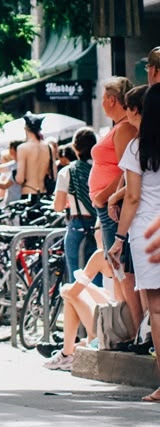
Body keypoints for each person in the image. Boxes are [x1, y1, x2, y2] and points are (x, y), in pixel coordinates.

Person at [110, 84, 160, 402]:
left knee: (156, 308)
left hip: (147, 232)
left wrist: (118, 239)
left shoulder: (138, 148)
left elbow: (132, 196)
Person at [90, 77, 141, 329]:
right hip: (109, 207)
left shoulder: (123, 129)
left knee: (122, 270)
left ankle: (137, 327)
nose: (101, 103)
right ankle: (130, 326)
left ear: (111, 100)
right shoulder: (118, 128)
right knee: (117, 270)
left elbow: (126, 169)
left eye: (102, 98)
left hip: (114, 208)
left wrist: (107, 196)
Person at [43, 250, 114, 371]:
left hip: (117, 327)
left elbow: (72, 293)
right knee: (74, 292)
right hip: (130, 325)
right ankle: (70, 349)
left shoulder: (102, 255)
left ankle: (68, 351)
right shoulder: (131, 253)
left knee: (67, 291)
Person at [53, 128, 98, 281]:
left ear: (74, 147)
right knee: (97, 276)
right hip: (99, 226)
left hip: (77, 226)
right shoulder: (99, 169)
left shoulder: (67, 172)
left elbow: (58, 206)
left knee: (76, 279)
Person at [14, 113, 53, 196]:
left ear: (26, 128)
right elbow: (53, 175)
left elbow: (20, 179)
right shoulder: (49, 147)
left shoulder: (22, 148)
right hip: (44, 193)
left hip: (29, 192)